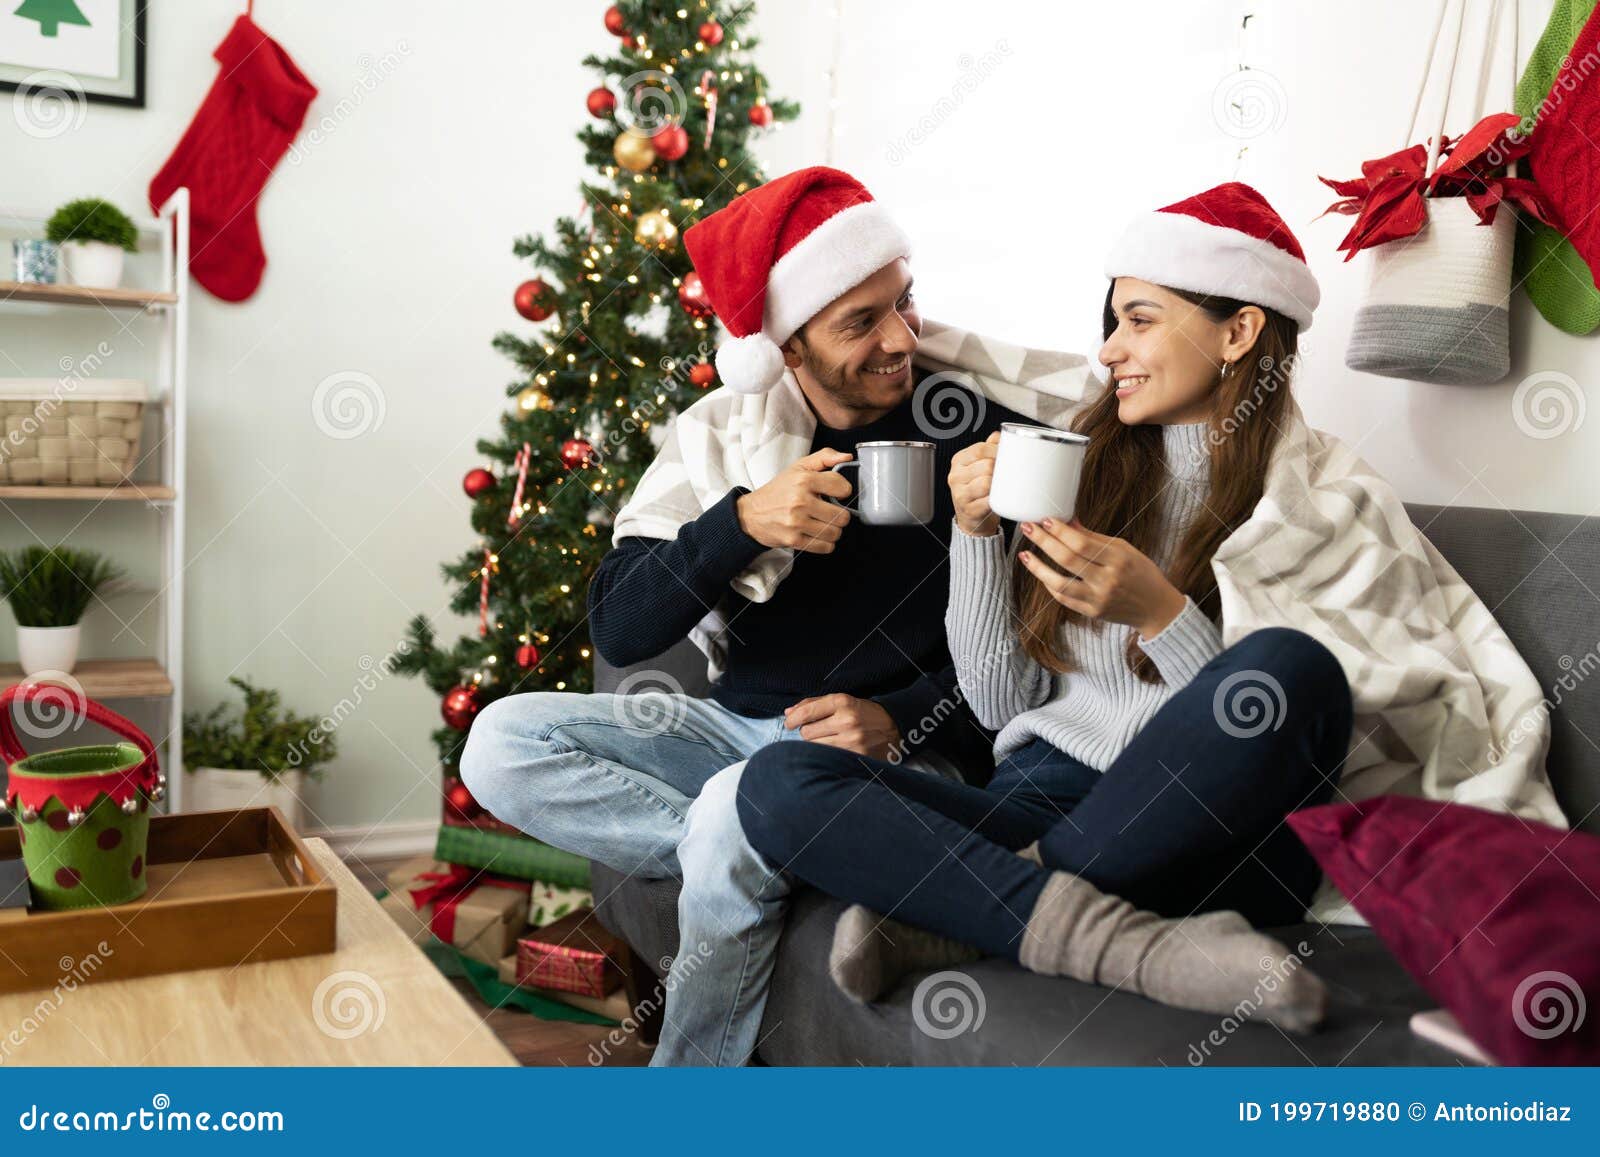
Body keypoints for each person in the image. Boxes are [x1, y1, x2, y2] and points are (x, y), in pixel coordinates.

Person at [730, 180, 1568, 1040]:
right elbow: (995, 709)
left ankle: (971, 906)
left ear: (1239, 331)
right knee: (776, 783)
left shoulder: (1323, 497)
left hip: (1220, 833)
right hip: (1039, 797)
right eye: (1111, 322)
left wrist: (1162, 613)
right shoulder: (1077, 467)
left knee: (1292, 667)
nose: (1108, 352)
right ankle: (1132, 944)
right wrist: (976, 536)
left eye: (1139, 319)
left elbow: (1288, 719)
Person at [459, 167, 1027, 1066]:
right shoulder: (729, 436)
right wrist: (740, 524)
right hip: (737, 726)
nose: (900, 340)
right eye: (860, 323)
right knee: (498, 742)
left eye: (904, 303)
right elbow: (621, 627)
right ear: (788, 350)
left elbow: (1025, 656)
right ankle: (783, 854)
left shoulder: (970, 427)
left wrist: (902, 716)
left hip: (895, 756)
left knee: (733, 810)